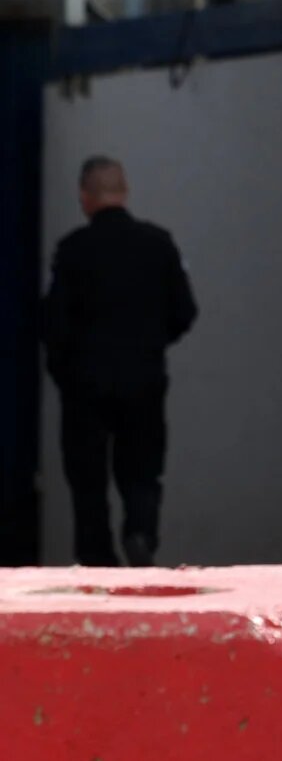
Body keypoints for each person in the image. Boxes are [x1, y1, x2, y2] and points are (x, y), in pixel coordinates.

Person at [40, 157, 196, 566]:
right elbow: (185, 311)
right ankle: (140, 532)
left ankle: (97, 558)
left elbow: (53, 324)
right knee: (142, 470)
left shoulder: (72, 251)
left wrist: (65, 372)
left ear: (84, 197)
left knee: (87, 480)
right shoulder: (158, 244)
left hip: (85, 384)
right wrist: (150, 345)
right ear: (124, 192)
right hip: (143, 379)